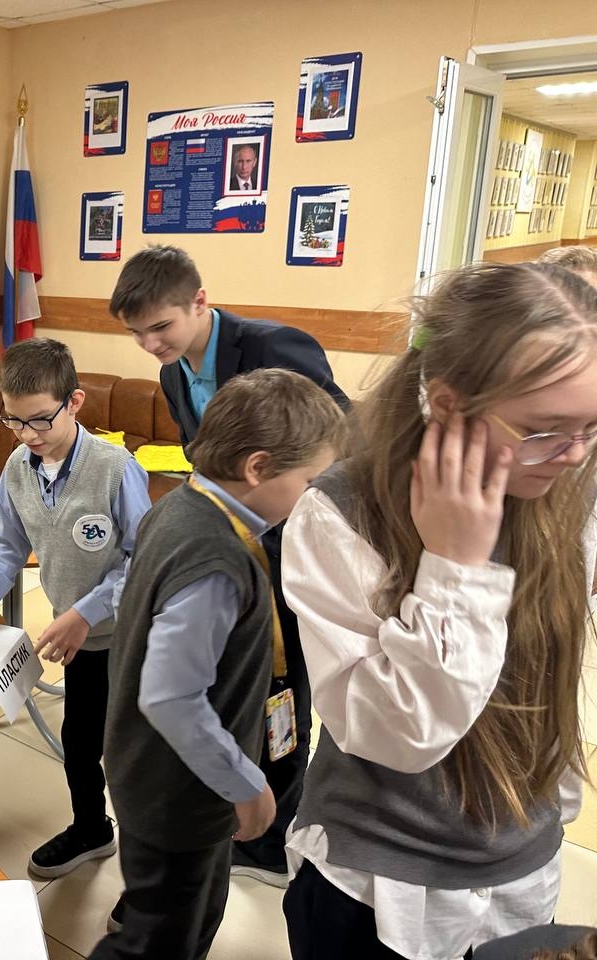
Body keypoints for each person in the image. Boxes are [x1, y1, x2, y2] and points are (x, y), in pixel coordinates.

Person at [280, 262, 597, 960]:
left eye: (592, 426)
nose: (574, 456)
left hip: (521, 862)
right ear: (448, 405)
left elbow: (549, 668)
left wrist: (549, 814)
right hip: (381, 885)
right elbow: (396, 736)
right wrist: (456, 569)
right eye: (545, 429)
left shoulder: (567, 487)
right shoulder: (339, 514)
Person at [111, 243, 348, 886]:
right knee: (230, 681)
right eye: (137, 334)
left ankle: (277, 827)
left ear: (200, 302)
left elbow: (337, 445)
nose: (151, 345)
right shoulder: (173, 373)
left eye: (161, 327)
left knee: (283, 681)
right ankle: (242, 790)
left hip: (290, 540)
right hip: (228, 538)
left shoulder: (273, 348)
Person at [93, 369, 345, 960]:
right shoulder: (215, 557)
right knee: (163, 940)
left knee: (181, 913)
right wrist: (247, 785)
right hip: (181, 794)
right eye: (309, 482)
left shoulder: (181, 506)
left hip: (161, 776)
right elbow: (171, 697)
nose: (311, 497)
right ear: (258, 468)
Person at [0, 338, 151, 879]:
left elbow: (143, 562)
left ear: (74, 403)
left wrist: (84, 612)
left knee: (134, 755)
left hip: (132, 638)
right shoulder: (17, 468)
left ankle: (150, 873)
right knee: (79, 742)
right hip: (82, 641)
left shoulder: (115, 469)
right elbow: (8, 546)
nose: (27, 435)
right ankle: (92, 829)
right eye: (13, 421)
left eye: (39, 421)